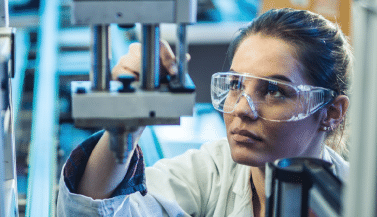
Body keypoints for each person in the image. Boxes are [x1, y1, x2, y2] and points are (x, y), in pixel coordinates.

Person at [57, 8, 352, 217]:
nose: (240, 109)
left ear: (332, 112)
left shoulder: (358, 201)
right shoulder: (209, 173)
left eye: (274, 91)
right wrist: (124, 127)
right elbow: (94, 211)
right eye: (236, 85)